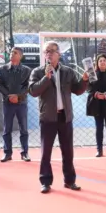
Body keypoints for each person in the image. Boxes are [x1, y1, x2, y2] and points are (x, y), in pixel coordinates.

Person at [29, 41, 89, 194]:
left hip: (65, 117)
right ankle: (45, 182)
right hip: (48, 118)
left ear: (59, 54)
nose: (48, 53)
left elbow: (77, 90)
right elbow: (33, 91)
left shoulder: (68, 71)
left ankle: (70, 181)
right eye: (46, 51)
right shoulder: (37, 71)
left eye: (51, 51)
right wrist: (46, 78)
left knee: (68, 152)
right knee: (46, 152)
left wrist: (84, 80)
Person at [0, 47, 32, 163]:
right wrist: (9, 96)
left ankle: (24, 153)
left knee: (24, 129)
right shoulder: (2, 69)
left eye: (15, 53)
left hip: (21, 103)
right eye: (11, 52)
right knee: (7, 129)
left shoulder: (27, 70)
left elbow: (29, 86)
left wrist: (18, 97)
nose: (12, 54)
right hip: (7, 103)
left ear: (20, 56)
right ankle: (7, 153)